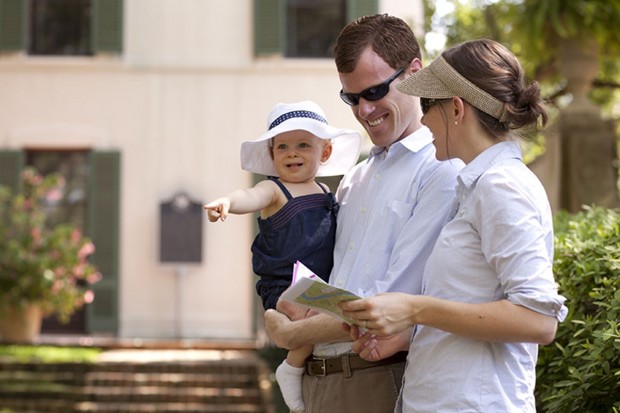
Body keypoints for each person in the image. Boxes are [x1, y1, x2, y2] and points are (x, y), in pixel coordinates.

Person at [340, 38, 569, 412]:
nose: (424, 118)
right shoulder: (479, 186)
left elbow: (538, 320)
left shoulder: (502, 187)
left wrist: (416, 310)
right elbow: (473, 303)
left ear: (457, 109)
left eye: (429, 105)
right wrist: (408, 334)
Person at [263, 14, 462, 413]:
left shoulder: (441, 169)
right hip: (319, 380)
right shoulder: (355, 177)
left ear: (415, 73)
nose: (364, 110)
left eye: (374, 91)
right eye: (351, 98)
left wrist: (291, 333)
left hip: (378, 378)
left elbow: (393, 304)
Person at [204, 100, 362, 412]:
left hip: (319, 282)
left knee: (325, 318)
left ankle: (298, 366)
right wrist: (226, 202)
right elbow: (249, 196)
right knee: (305, 318)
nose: (292, 153)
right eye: (283, 147)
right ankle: (291, 368)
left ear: (325, 153)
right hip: (285, 283)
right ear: (272, 155)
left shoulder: (326, 193)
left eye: (304, 145)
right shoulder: (275, 191)